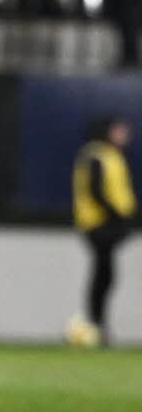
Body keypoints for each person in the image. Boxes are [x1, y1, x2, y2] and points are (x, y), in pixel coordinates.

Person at [69, 117, 136, 347]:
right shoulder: (96, 154)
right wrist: (117, 216)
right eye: (119, 130)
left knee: (105, 273)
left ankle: (97, 324)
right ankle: (95, 323)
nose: (124, 135)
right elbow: (96, 190)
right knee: (103, 274)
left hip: (109, 222)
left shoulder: (111, 155)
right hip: (99, 224)